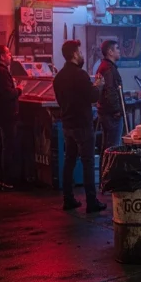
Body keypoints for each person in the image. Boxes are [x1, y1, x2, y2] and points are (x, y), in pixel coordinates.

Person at [53, 40, 107, 213]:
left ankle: (68, 199)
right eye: (80, 52)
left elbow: (60, 101)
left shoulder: (59, 77)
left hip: (67, 124)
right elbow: (92, 96)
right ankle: (91, 201)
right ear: (75, 54)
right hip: (83, 125)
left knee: (69, 161)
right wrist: (98, 86)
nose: (82, 55)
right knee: (88, 162)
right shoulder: (80, 75)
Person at [0, 45, 23, 191]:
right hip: (7, 113)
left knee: (2, 146)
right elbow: (7, 93)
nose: (10, 56)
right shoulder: (1, 72)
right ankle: (7, 180)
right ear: (2, 56)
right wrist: (19, 90)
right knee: (8, 147)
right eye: (8, 53)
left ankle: (1, 179)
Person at [96, 40, 124, 176]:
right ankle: (110, 178)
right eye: (117, 48)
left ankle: (104, 178)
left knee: (106, 147)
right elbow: (110, 91)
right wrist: (117, 110)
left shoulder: (104, 67)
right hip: (111, 115)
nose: (119, 50)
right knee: (112, 148)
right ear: (110, 52)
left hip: (105, 113)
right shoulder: (108, 69)